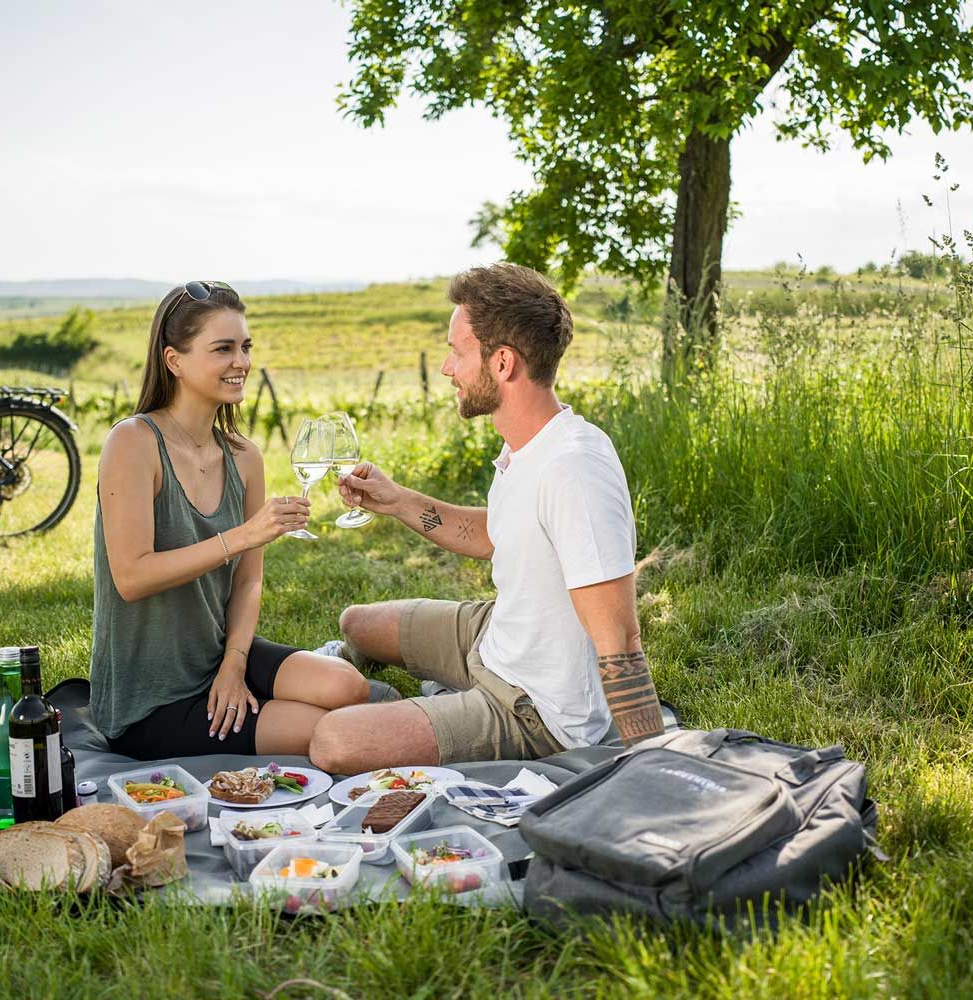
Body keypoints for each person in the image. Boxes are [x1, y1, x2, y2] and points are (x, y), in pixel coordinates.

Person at [307, 264, 667, 773]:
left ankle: (423, 711)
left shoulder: (574, 468)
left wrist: (652, 770)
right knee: (357, 625)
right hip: (496, 636)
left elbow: (621, 644)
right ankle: (437, 696)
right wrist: (395, 500)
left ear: (502, 363)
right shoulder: (528, 446)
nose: (447, 369)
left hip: (532, 708)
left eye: (457, 352)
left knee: (334, 741)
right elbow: (498, 533)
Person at [90, 281, 370, 759]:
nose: (241, 362)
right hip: (152, 697)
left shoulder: (243, 456)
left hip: (220, 656)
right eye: (223, 349)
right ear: (174, 361)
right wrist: (241, 535)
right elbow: (132, 577)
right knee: (334, 733)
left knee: (348, 687)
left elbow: (247, 582)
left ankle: (254, 692)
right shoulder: (133, 442)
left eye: (245, 347)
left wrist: (235, 666)